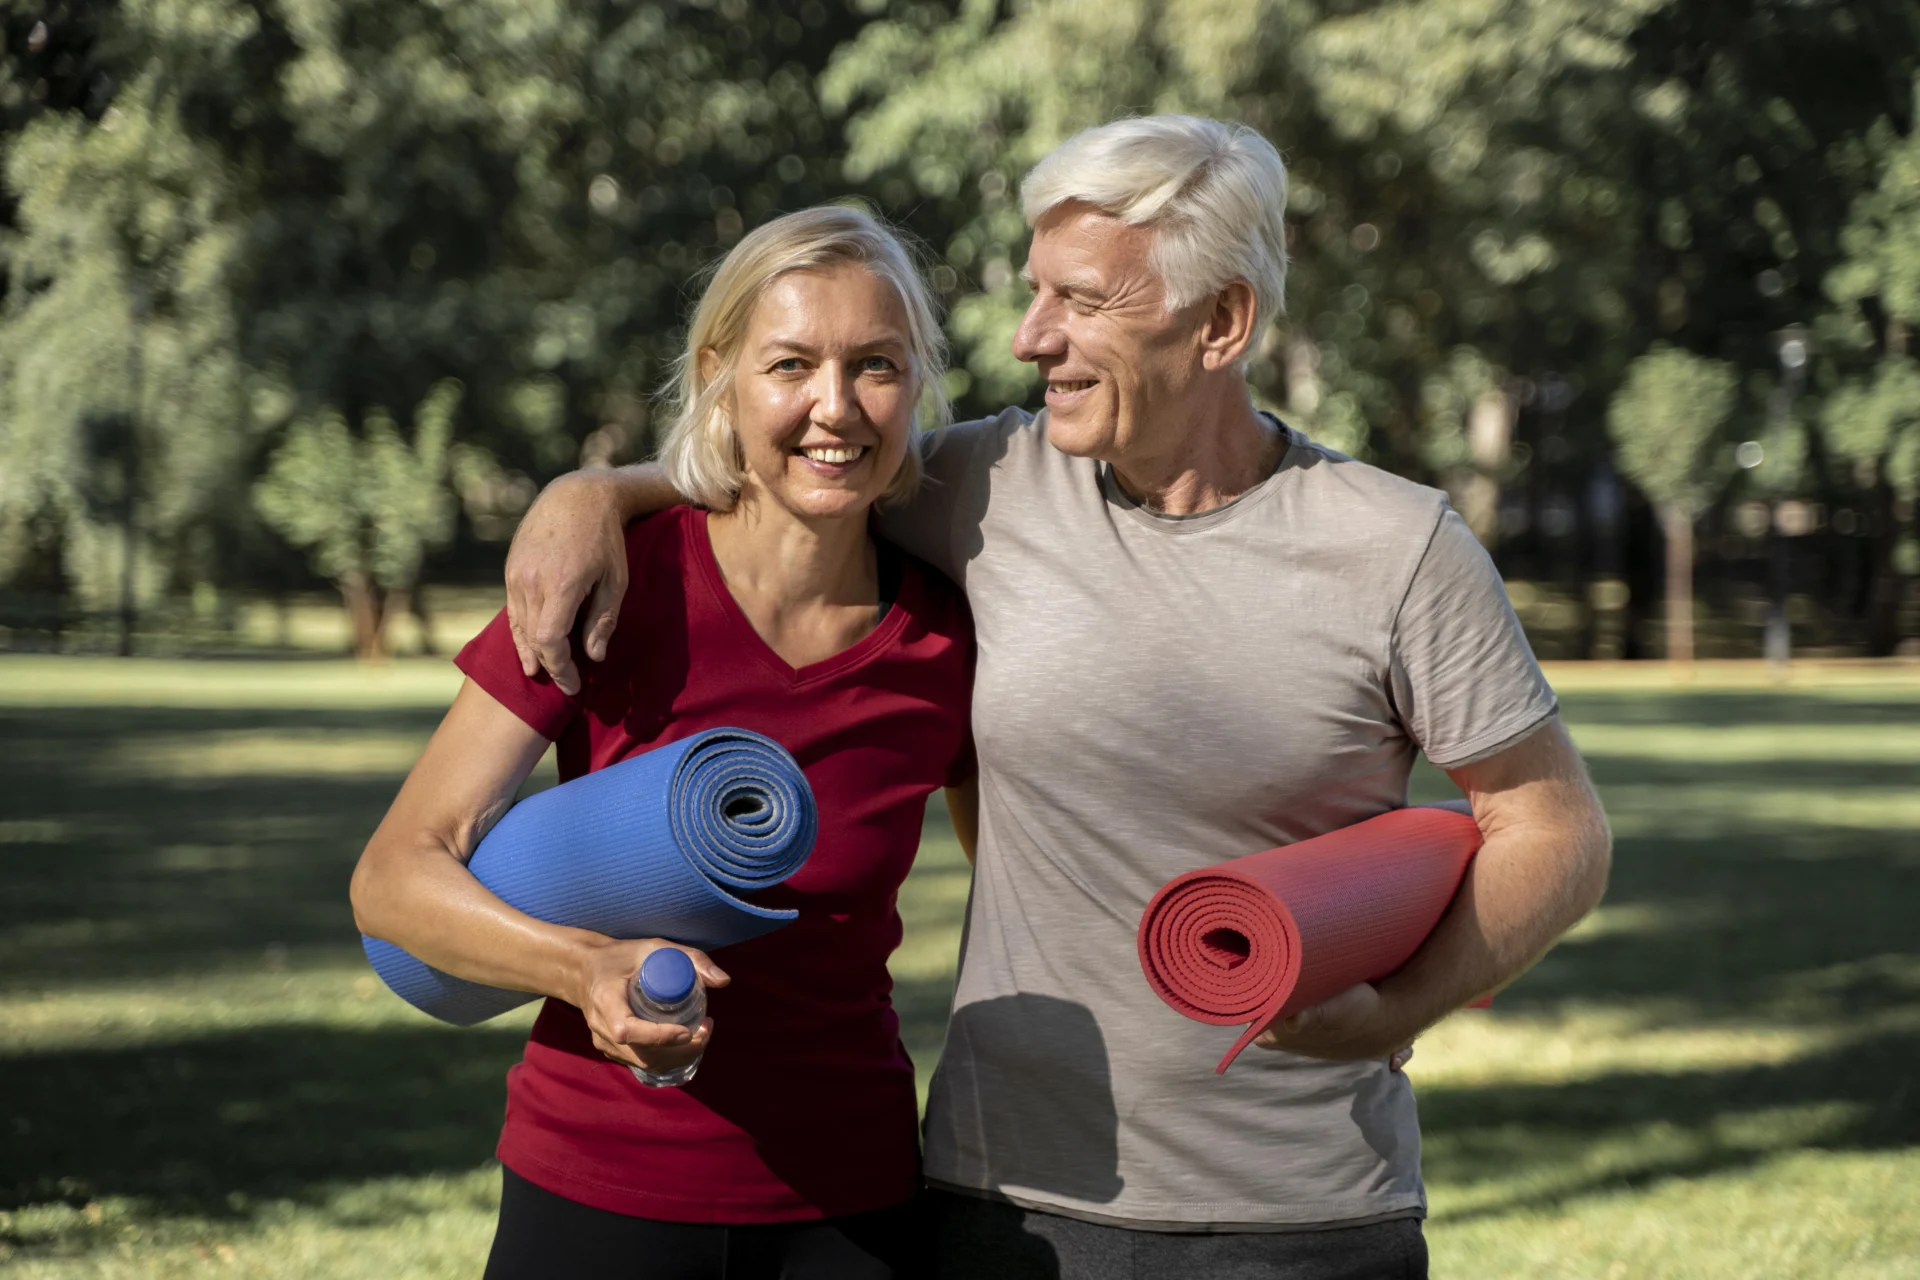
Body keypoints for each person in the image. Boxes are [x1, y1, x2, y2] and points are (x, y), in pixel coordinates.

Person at [503, 116, 1612, 1280]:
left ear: (1222, 321)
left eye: (1080, 302)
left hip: (1306, 1213)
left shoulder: (1398, 546)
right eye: (1037, 294)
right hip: (1007, 1205)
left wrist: (1395, 1010)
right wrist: (594, 489)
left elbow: (1553, 825)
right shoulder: (986, 484)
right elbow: (794, 459)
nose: (1034, 338)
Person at [350, 205, 976, 1280]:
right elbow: (394, 877)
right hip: (599, 1184)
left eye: (875, 364)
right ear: (721, 375)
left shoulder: (945, 643)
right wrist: (583, 967)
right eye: (791, 364)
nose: (836, 406)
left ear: (916, 382)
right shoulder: (606, 582)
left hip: (855, 1201)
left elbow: (1021, 902)